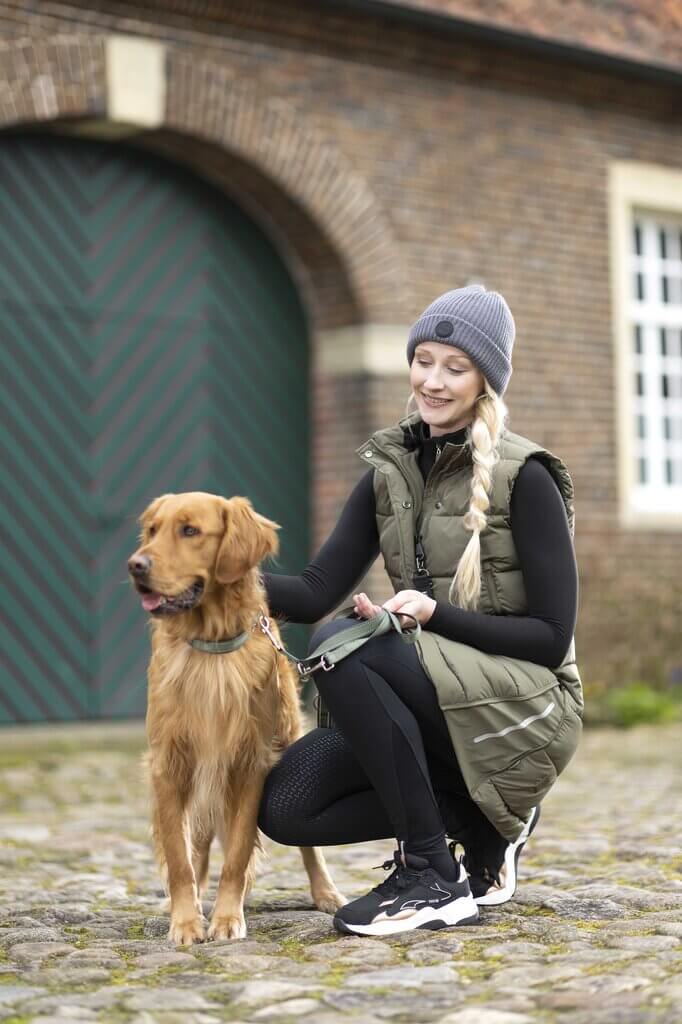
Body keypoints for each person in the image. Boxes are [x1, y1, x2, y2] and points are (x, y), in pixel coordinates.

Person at [258, 284, 583, 936]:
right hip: (438, 697)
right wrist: (211, 583)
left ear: (485, 380)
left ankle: (431, 874)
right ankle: (479, 823)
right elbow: (316, 590)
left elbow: (551, 639)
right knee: (288, 807)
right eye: (423, 361)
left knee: (347, 643)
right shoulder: (390, 471)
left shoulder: (526, 477)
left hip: (527, 711)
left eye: (455, 368)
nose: (433, 381)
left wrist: (431, 615)